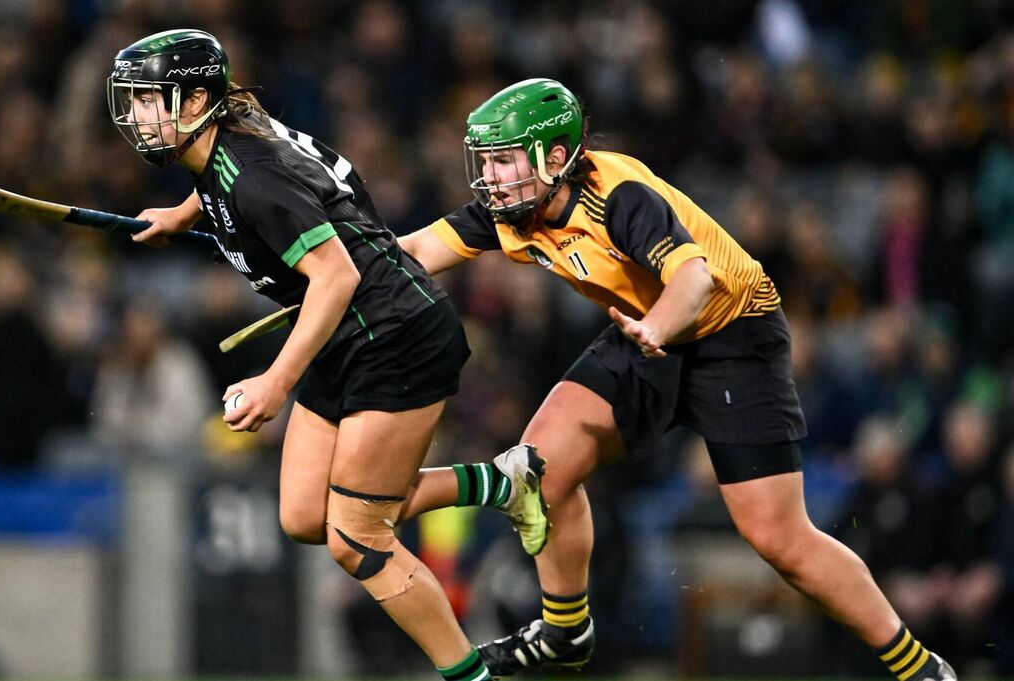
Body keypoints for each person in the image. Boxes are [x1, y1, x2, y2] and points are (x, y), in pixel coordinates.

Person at [398, 78, 957, 681]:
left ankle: (920, 667)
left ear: (554, 157)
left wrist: (656, 330)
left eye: (503, 159)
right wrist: (318, 271)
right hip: (645, 331)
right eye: (485, 160)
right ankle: (565, 630)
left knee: (779, 539)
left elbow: (693, 280)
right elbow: (412, 251)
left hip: (729, 334)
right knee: (539, 467)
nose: (489, 175)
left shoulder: (619, 195)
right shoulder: (514, 209)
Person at [107, 29, 546, 681]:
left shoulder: (250, 171)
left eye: (151, 99)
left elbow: (336, 274)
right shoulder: (236, 141)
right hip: (346, 331)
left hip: (396, 334)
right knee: (307, 514)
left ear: (198, 100)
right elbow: (299, 184)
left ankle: (473, 675)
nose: (138, 115)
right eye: (135, 100)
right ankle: (499, 481)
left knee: (357, 537)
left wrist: (275, 382)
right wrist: (182, 213)